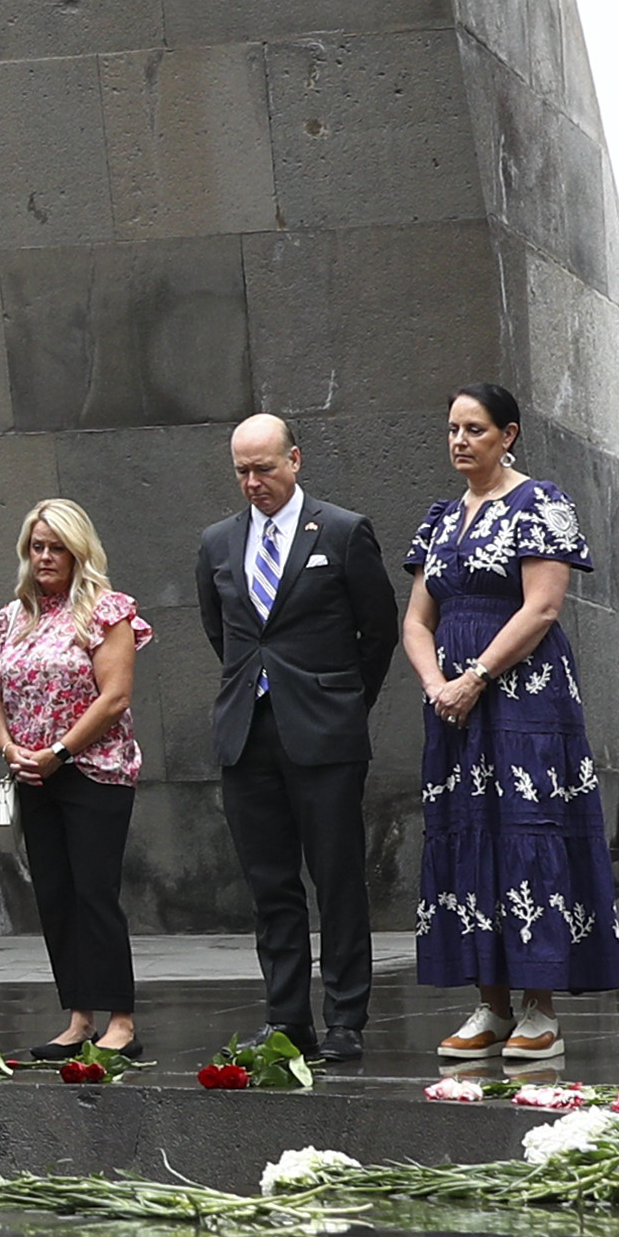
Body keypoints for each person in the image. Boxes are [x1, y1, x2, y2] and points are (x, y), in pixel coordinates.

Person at [405, 382, 619, 1059]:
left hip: (524, 697)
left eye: (474, 428)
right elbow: (417, 618)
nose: (459, 440)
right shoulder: (442, 517)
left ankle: (539, 1006)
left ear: (509, 434)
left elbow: (541, 608)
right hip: (452, 706)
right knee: (469, 833)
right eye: (452, 428)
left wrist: (476, 676)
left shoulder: (541, 503)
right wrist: (438, 684)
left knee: (527, 832)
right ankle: (490, 1004)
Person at [198, 412, 397, 1065]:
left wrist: (342, 701)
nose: (253, 482)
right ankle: (287, 1019)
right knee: (271, 885)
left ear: (295, 460)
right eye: (242, 471)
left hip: (325, 734)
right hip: (247, 735)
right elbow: (222, 632)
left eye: (264, 468)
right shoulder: (218, 542)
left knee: (337, 879)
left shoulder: (341, 531)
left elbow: (378, 630)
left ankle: (344, 1017)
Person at [0, 499, 146, 1060]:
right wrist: (10, 749)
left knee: (94, 891)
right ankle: (78, 1016)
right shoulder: (14, 617)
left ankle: (119, 1018)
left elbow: (115, 696)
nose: (45, 557)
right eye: (37, 546)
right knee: (55, 894)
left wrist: (58, 750)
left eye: (56, 548)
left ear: (79, 552)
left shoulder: (106, 610)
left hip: (96, 771)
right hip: (33, 774)